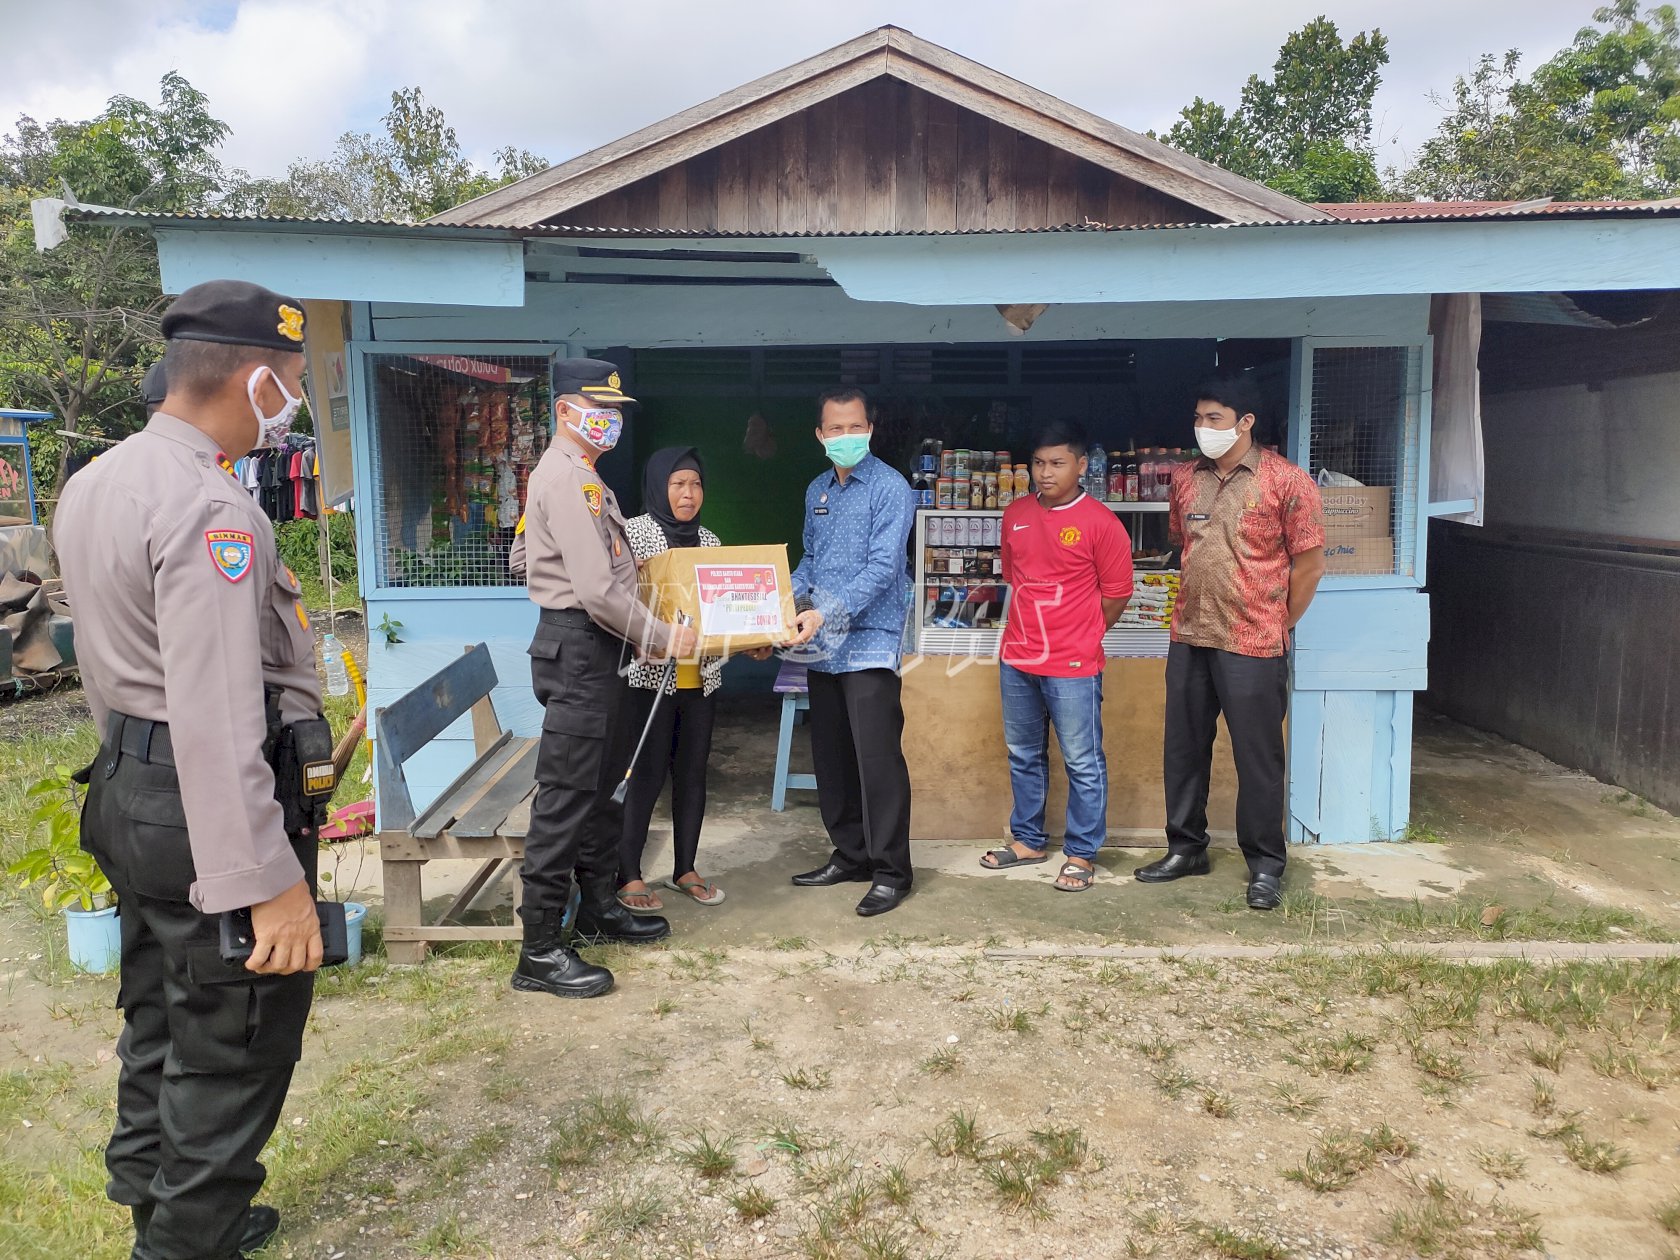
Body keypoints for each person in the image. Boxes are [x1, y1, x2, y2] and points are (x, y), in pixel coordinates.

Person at [53, 280, 330, 1260]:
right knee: (234, 1037)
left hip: (126, 785)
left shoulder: (98, 480)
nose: (295, 403)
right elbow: (215, 716)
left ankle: (160, 1201)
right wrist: (269, 885)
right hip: (199, 801)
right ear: (256, 380)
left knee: (160, 1011)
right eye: (293, 382)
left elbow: (110, 665)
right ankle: (184, 1239)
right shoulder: (212, 508)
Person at [515, 359, 699, 999]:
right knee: (567, 794)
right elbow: (595, 588)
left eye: (618, 411)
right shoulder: (567, 479)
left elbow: (526, 553)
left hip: (602, 648)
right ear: (565, 410)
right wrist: (662, 636)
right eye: (600, 408)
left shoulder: (581, 478)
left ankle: (596, 906)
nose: (612, 420)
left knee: (598, 788)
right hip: (585, 646)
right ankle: (538, 948)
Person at [1133, 376, 1326, 910]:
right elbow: (1185, 544)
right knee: (1184, 749)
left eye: (1214, 419)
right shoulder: (1185, 479)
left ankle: (1265, 864)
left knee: (1257, 757)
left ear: (1246, 422)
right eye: (1198, 418)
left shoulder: (1288, 482)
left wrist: (1276, 621)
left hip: (1254, 642)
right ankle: (1186, 847)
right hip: (1191, 633)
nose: (1202, 429)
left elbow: (1309, 566)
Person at [981, 420, 1134, 891]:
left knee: (1082, 760)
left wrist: (1083, 633)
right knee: (1023, 754)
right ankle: (1027, 840)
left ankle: (1082, 853)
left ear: (1082, 465)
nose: (1046, 473)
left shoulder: (1102, 524)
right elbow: (1014, 576)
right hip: (1018, 657)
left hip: (1073, 664)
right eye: (1039, 464)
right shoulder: (1016, 514)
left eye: (1058, 464)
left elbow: (1117, 594)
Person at [617, 446, 772, 911]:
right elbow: (621, 605)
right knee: (645, 775)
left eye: (696, 484)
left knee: (692, 773)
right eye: (678, 484)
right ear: (659, 487)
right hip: (647, 678)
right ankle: (628, 874)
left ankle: (685, 867)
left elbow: (722, 616)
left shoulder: (710, 541)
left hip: (700, 678)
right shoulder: (633, 535)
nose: (689, 494)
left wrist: (753, 640)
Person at [786, 386, 917, 917]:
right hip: (822, 647)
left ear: (870, 428)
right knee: (833, 760)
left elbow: (884, 570)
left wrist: (824, 612)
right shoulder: (818, 489)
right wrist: (781, 600)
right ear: (820, 435)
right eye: (835, 429)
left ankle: (891, 871)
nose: (846, 437)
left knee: (877, 762)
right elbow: (809, 562)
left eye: (854, 427)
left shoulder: (890, 488)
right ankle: (850, 853)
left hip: (869, 645)